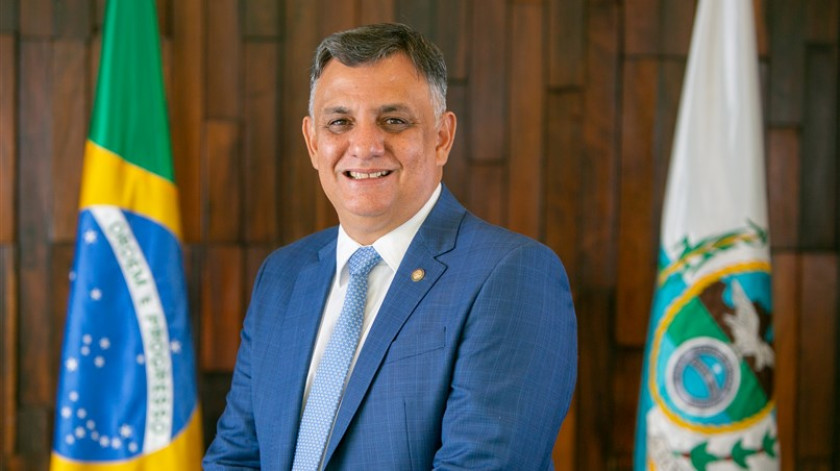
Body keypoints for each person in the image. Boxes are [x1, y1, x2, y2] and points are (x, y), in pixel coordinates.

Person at [203, 23, 577, 470]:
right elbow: (235, 458)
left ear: (441, 138)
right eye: (340, 122)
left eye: (394, 121)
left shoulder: (512, 275)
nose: (364, 146)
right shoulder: (283, 276)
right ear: (313, 143)